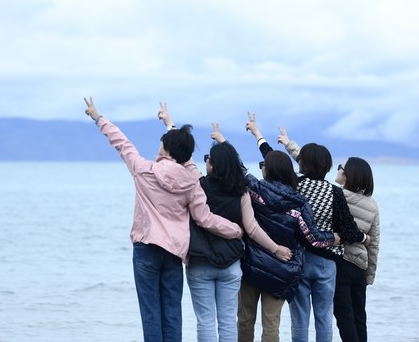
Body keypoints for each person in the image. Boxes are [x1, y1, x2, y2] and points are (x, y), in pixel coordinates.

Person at [83, 97, 243, 342]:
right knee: (172, 313)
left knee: (150, 313)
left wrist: (98, 117)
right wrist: (235, 230)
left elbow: (121, 143)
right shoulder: (191, 182)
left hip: (146, 249)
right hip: (173, 253)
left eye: (162, 144)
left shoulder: (143, 169)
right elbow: (205, 219)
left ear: (166, 150)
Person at [157, 105, 293, 342]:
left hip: (200, 262)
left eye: (208, 159)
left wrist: (170, 125)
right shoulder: (241, 191)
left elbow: (185, 157)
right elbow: (251, 228)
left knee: (205, 321)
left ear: (212, 165)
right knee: (228, 321)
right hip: (230, 264)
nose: (205, 161)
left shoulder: (198, 185)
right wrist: (276, 249)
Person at [255, 121, 367, 342]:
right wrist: (363, 237)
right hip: (328, 263)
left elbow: (274, 162)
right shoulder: (335, 193)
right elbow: (348, 229)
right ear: (327, 166)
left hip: (300, 259)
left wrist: (259, 136)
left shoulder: (294, 184)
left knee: (300, 318)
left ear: (301, 164)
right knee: (324, 318)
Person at [237, 113, 341, 342]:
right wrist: (334, 238)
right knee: (274, 325)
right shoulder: (300, 200)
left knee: (245, 320)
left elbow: (239, 168)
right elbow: (311, 238)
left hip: (252, 263)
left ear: (268, 170)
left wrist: (251, 135)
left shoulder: (256, 189)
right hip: (283, 268)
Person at [333, 157, 380, 342]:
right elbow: (374, 244)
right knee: (360, 318)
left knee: (344, 316)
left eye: (339, 167)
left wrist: (290, 145)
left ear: (347, 175)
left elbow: (312, 169)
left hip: (342, 263)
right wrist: (369, 274)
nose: (337, 170)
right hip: (360, 267)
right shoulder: (372, 204)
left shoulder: (337, 195)